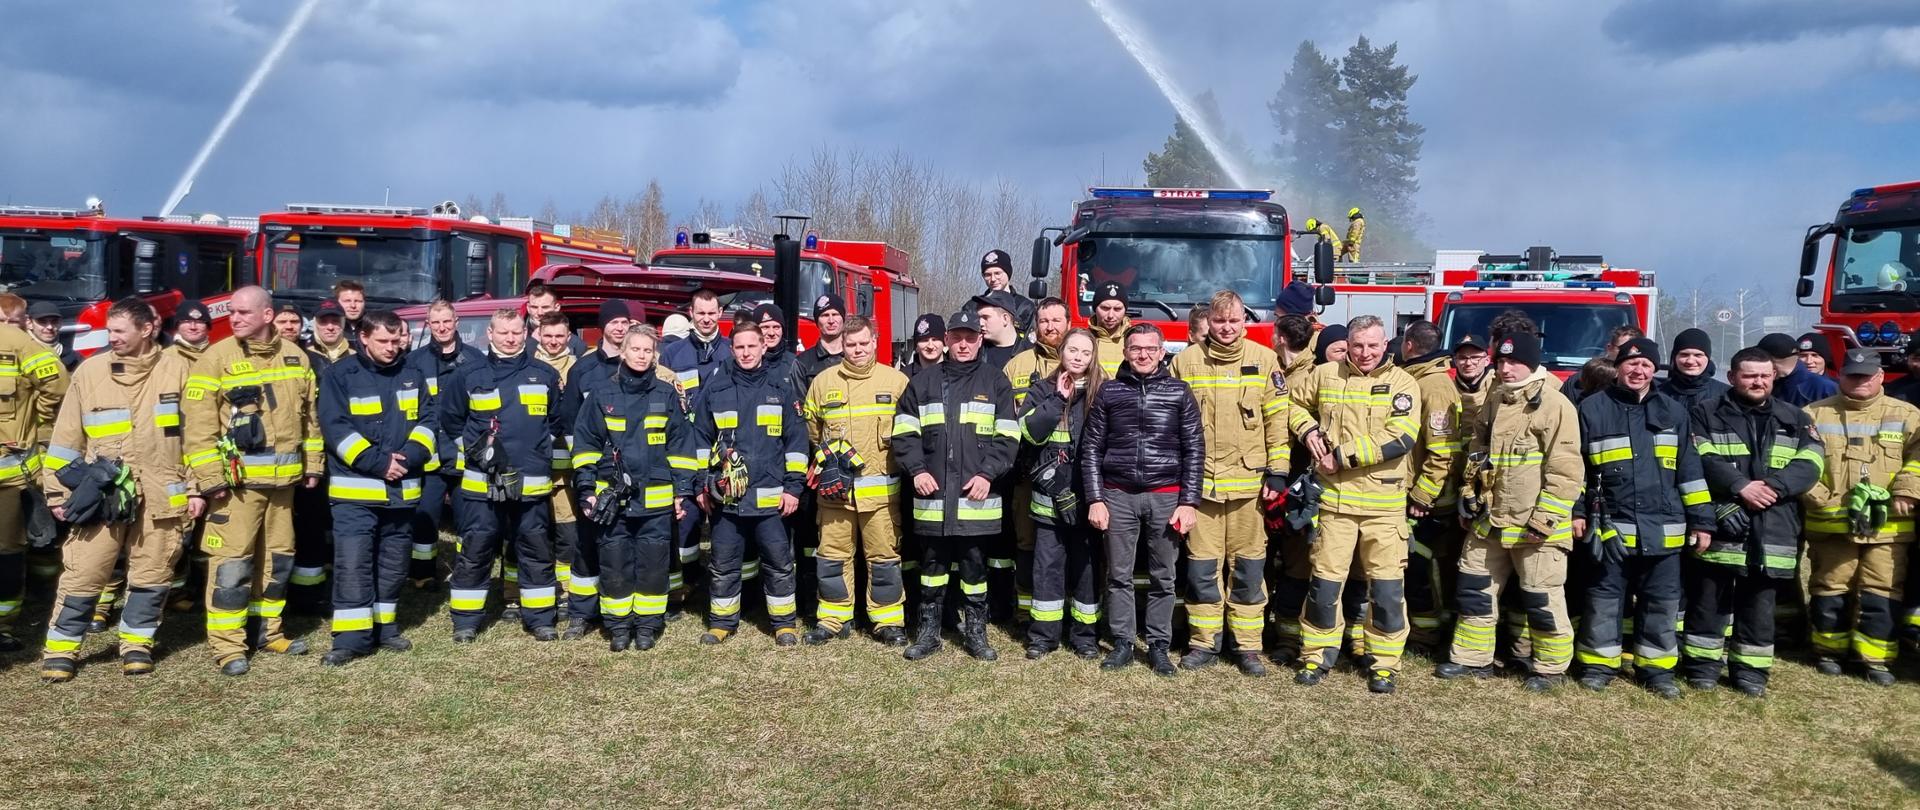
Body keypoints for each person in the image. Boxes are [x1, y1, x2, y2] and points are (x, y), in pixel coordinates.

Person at [180, 286, 321, 676]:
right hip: (236, 489)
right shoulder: (215, 359)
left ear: (267, 315)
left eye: (244, 312)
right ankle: (228, 646)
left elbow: (309, 419)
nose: (235, 319)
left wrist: (312, 465)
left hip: (284, 487)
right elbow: (199, 427)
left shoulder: (297, 356)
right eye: (233, 313)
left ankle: (269, 632)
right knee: (232, 566)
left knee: (277, 561)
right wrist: (210, 479)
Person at [35, 298, 175, 680]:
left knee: (151, 575)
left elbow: (196, 437)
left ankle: (136, 645)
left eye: (118, 331)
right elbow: (66, 440)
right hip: (101, 495)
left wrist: (195, 488)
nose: (110, 338)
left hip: (163, 495)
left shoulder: (179, 369)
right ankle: (61, 650)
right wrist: (57, 493)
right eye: (109, 331)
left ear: (146, 329)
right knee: (84, 572)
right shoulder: (90, 372)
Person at [1436, 331, 1581, 690]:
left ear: (1531, 364)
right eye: (1500, 361)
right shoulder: (1496, 398)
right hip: (1490, 519)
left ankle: (1550, 669)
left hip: (1535, 524)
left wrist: (1545, 520)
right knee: (1474, 588)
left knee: (1541, 597)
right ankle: (1473, 660)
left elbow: (1566, 470)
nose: (1505, 368)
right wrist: (1469, 494)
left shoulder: (1554, 404)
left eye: (1514, 362)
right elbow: (1478, 451)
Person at [1286, 315, 1420, 693]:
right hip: (1335, 503)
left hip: (1383, 505)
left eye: (1373, 346)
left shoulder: (1403, 383)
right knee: (1325, 588)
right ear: (1348, 342)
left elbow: (1401, 437)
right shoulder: (1325, 374)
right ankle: (1316, 655)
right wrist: (1307, 429)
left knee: (1387, 592)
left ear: (1385, 344)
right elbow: (1291, 403)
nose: (1365, 353)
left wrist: (1340, 456)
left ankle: (1384, 664)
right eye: (1358, 345)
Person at [1574, 337, 1715, 698]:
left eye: (1646, 365)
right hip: (1610, 527)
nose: (1638, 370)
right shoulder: (1592, 409)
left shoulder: (1673, 411)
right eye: (1631, 364)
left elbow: (1689, 470)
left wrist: (1701, 520)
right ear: (1618, 367)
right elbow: (1577, 469)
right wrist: (1577, 512)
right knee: (1604, 598)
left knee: (1662, 601)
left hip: (1665, 528)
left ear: (1655, 370)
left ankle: (1656, 670)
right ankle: (1598, 664)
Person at [1685, 346, 1824, 697]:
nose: (1758, 381)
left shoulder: (1797, 417)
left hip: (1774, 522)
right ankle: (1702, 667)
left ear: (1774, 377)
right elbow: (1701, 456)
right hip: (1725, 518)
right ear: (1732, 377)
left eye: (1764, 375)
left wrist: (1772, 488)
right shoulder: (1704, 413)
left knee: (1760, 604)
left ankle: (1751, 672)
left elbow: (1812, 463)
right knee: (1709, 598)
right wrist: (1739, 487)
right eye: (1749, 375)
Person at [1167, 290, 1290, 676]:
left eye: (1234, 321)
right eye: (1219, 321)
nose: (1226, 328)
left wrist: (1278, 471)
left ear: (1244, 322)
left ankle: (1248, 646)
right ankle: (1203, 642)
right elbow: (1169, 426)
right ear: (1209, 322)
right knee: (1202, 569)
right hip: (1200, 489)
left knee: (1249, 570)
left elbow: (1278, 423)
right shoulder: (1185, 362)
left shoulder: (1265, 360)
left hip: (1249, 489)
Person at [893, 309, 1018, 662]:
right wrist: (916, 470)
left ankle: (975, 632)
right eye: (957, 337)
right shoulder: (922, 382)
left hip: (976, 498)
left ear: (980, 340)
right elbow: (904, 432)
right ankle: (929, 632)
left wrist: (987, 474)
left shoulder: (996, 382)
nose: (963, 344)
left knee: (974, 567)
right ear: (947, 340)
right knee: (931, 566)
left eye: (970, 338)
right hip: (932, 496)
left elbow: (1008, 437)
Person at [315, 310, 436, 667]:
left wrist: (412, 455)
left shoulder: (412, 373)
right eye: (383, 340)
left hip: (401, 493)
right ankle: (351, 639)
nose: (391, 347)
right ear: (363, 338)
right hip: (356, 492)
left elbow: (429, 421)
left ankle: (386, 627)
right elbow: (335, 428)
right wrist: (378, 463)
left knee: (393, 565)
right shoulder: (341, 375)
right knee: (353, 565)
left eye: (396, 340)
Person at [1082, 323, 1201, 676]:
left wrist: (1188, 501)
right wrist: (1095, 498)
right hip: (1117, 495)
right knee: (1118, 574)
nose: (1144, 355)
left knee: (1164, 576)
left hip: (1166, 496)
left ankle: (1159, 645)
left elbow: (1194, 449)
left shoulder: (1180, 393)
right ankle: (1122, 642)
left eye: (1151, 348)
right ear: (1125, 352)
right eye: (1136, 348)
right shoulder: (1109, 393)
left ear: (1163, 351)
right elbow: (1091, 448)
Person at [569, 328, 697, 651]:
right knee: (615, 564)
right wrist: (586, 489)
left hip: (655, 502)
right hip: (613, 503)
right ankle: (618, 626)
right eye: (635, 349)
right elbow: (585, 445)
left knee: (653, 565)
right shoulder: (601, 395)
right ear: (622, 352)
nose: (641, 355)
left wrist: (682, 491)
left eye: (647, 350)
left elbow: (681, 447)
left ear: (655, 355)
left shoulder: (666, 395)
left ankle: (647, 626)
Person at [441, 309, 564, 644]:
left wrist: (535, 453)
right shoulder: (467, 374)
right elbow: (451, 421)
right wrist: (476, 454)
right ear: (489, 334)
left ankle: (540, 619)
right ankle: (466, 621)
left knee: (535, 550)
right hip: (483, 485)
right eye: (504, 332)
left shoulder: (545, 374)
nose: (511, 338)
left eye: (517, 332)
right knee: (476, 550)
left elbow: (555, 422)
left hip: (531, 483)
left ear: (526, 334)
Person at [1800, 348, 1919, 686]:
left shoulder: (1907, 414)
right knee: (1830, 585)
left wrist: (1907, 490)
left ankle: (1875, 659)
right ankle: (1827, 652)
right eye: (1853, 375)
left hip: (1888, 526)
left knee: (1882, 586)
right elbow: (1794, 460)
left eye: (1867, 375)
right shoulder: (1812, 415)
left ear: (1880, 377)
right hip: (1830, 523)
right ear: (1840, 376)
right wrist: (1817, 498)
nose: (1860, 381)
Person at [691, 322, 806, 646]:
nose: (745, 352)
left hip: (771, 499)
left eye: (751, 346)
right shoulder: (716, 389)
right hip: (728, 499)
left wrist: (793, 487)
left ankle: (783, 624)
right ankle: (722, 623)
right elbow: (700, 438)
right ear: (732, 349)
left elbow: (796, 442)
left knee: (779, 564)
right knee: (724, 564)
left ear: (763, 347)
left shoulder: (781, 389)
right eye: (739, 347)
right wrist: (703, 483)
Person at [803, 316, 911, 645]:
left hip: (881, 496)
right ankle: (834, 618)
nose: (858, 350)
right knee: (833, 556)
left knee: (884, 559)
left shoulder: (896, 382)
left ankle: (887, 621)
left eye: (864, 343)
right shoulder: (822, 382)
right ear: (842, 346)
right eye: (851, 344)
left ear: (875, 342)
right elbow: (812, 432)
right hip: (835, 494)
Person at [1017, 328, 1104, 658]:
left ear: (1092, 357)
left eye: (1085, 352)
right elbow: (1029, 433)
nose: (1078, 357)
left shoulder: (1102, 391)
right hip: (1048, 498)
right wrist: (1057, 399)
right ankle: (1043, 637)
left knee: (1086, 568)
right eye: (1072, 351)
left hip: (1087, 498)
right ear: (1061, 352)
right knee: (1047, 568)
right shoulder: (1041, 389)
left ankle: (1084, 637)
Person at [403, 299, 485, 588]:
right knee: (425, 519)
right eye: (435, 322)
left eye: (446, 321)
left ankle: (465, 572)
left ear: (456, 322)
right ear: (429, 324)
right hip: (429, 458)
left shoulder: (477, 360)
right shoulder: (414, 362)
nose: (441, 327)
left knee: (467, 520)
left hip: (465, 457)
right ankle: (422, 575)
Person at [1398, 321, 1464, 653]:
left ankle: (1428, 637)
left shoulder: (1434, 385)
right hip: (1420, 496)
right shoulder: (1421, 378)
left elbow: (1442, 450)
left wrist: (1423, 495)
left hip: (1432, 503)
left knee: (1427, 569)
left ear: (1409, 345)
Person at [290, 298, 353, 609]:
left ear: (344, 324)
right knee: (311, 524)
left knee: (342, 523)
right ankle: (307, 594)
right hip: (314, 454)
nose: (330, 326)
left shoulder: (358, 356)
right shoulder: (301, 357)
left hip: (349, 454)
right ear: (313, 323)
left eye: (335, 321)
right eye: (324, 320)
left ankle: (339, 586)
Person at [1266, 314, 1319, 657]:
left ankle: (1287, 637)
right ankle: (1277, 633)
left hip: (1296, 485)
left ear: (1279, 338)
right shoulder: (1279, 371)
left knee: (1296, 564)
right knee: (1281, 562)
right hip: (1279, 482)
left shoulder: (1308, 377)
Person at [532, 312, 583, 603]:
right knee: (536, 529)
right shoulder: (527, 366)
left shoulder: (578, 368)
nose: (553, 342)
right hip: (534, 465)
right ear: (539, 335)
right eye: (548, 336)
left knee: (567, 528)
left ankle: (565, 588)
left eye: (559, 336)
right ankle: (539, 581)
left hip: (567, 469)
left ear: (568, 337)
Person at [659, 288, 735, 398]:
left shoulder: (733, 350)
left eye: (711, 313)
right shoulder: (671, 353)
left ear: (720, 312)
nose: (706, 319)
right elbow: (663, 394)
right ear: (691, 312)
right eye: (701, 313)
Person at [1562, 325, 1644, 405]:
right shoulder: (1580, 380)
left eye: (1634, 351)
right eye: (1623, 349)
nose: (1628, 354)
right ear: (1609, 348)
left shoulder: (1645, 386)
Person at [965, 249, 1036, 336]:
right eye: (988, 275)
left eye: (997, 273)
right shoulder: (972, 307)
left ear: (1008, 273)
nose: (993, 279)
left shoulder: (1025, 307)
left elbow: (1030, 341)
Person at [1658, 328, 1731, 409]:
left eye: (1698, 355)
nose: (1690, 361)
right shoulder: (1658, 392)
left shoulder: (1726, 395)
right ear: (1675, 357)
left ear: (1708, 358)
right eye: (1684, 354)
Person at [1761, 332, 1837, 407]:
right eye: (1803, 355)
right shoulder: (1774, 381)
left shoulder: (1830, 388)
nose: (1808, 361)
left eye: (1815, 355)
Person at [794, 293, 848, 394]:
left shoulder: (855, 356)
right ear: (817, 321)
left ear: (843, 318)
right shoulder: (802, 363)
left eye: (835, 314)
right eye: (825, 315)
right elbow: (799, 403)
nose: (831, 321)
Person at [524, 281, 588, 357]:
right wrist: (532, 343)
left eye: (545, 307)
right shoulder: (515, 335)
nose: (539, 312)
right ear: (528, 308)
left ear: (557, 307)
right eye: (534, 307)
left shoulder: (576, 344)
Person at [973, 291, 1032, 371]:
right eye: (979, 318)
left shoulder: (1030, 352)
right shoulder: (975, 351)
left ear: (1005, 319)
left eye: (986, 318)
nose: (980, 323)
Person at [1089, 282, 1131, 376]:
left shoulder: (1133, 340)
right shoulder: (1083, 339)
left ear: (1125, 310)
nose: (1110, 315)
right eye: (1105, 308)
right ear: (1095, 309)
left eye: (1117, 309)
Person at [753, 304, 798, 388]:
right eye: (765, 327)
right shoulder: (744, 361)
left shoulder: (794, 364)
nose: (771, 333)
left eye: (776, 327)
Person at [26, 301, 81, 370]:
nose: (50, 327)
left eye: (54, 321)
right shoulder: (21, 354)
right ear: (29, 323)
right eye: (42, 321)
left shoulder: (72, 357)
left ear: (60, 323)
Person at [165, 299, 214, 365]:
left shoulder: (218, 354)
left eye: (199, 322)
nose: (193, 327)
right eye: (186, 321)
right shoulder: (164, 358)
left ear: (208, 327)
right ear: (177, 326)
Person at [332, 279, 367, 347]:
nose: (353, 306)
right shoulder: (327, 325)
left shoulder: (373, 325)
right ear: (336, 302)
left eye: (358, 301)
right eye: (347, 301)